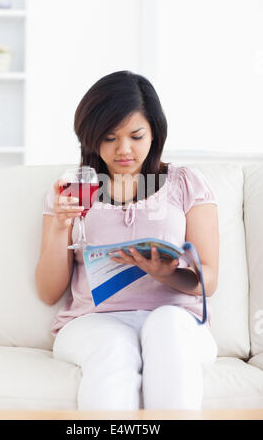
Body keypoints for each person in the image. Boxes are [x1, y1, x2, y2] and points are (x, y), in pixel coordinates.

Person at [35, 70, 219, 410]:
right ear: (91, 138)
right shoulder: (71, 188)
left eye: (136, 135)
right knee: (113, 346)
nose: (124, 150)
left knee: (166, 328)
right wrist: (61, 227)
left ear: (155, 132)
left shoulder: (186, 183)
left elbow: (209, 279)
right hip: (93, 321)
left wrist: (165, 273)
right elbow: (48, 292)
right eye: (108, 138)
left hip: (176, 316)